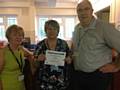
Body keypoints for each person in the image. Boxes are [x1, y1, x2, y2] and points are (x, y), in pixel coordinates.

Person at [71, 0, 120, 90]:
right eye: (80, 10)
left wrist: (116, 65)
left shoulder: (104, 27)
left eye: (86, 9)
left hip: (97, 77)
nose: (83, 13)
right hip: (79, 75)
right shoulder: (77, 28)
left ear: (92, 11)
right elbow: (75, 48)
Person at [33, 20, 72, 90]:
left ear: (58, 31)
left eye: (54, 29)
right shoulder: (40, 45)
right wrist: (38, 59)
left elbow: (69, 59)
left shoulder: (63, 44)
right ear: (45, 31)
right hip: (45, 82)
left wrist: (69, 60)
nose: (52, 31)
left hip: (61, 81)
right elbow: (35, 65)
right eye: (49, 29)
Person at [0, 25, 33, 90]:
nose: (18, 37)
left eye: (20, 35)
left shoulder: (21, 49)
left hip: (21, 85)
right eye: (15, 35)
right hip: (7, 86)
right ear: (9, 37)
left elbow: (31, 55)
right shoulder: (2, 52)